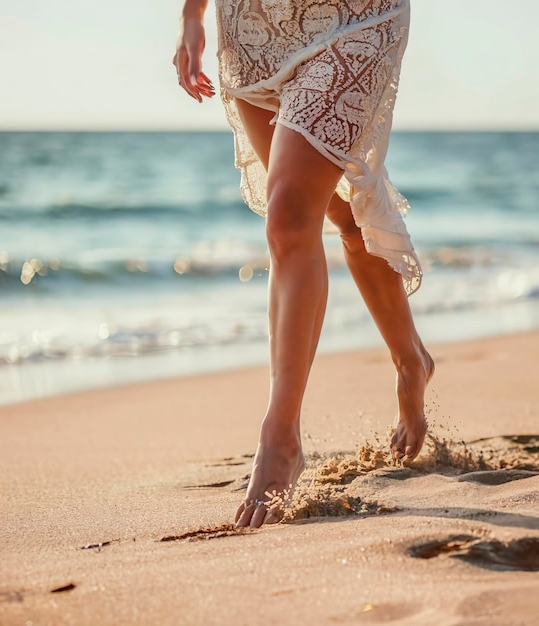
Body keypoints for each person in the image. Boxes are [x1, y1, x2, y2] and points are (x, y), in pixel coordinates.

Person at [174, 0, 434, 528]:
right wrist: (191, 15)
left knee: (289, 217)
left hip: (356, 17)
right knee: (339, 214)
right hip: (254, 28)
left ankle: (281, 437)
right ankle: (412, 359)